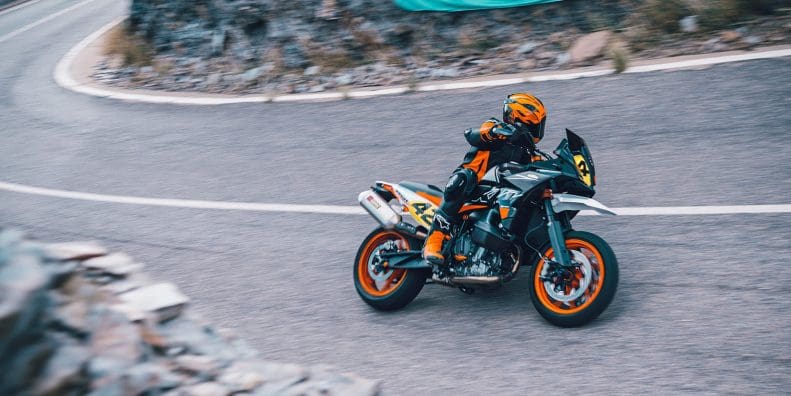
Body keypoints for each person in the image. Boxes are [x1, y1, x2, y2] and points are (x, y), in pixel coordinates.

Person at [422, 92, 547, 265]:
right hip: (474, 187)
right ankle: (433, 241)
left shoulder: (530, 155)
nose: (538, 130)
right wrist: (496, 131)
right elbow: (472, 134)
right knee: (462, 180)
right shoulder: (496, 128)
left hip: (500, 195)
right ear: (518, 118)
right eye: (534, 125)